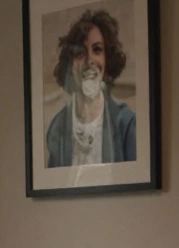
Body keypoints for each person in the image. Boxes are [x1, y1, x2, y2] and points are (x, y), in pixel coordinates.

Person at [45, 9, 136, 168]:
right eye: (80, 53)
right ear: (70, 65)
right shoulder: (58, 127)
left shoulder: (126, 123)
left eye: (97, 50)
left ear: (107, 59)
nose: (89, 61)